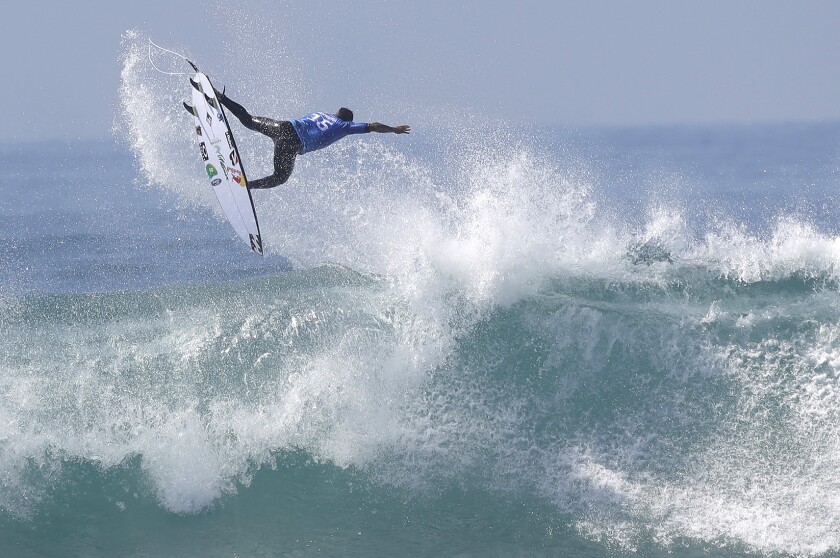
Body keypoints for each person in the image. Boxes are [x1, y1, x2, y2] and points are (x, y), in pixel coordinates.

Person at [213, 89, 410, 189]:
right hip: (292, 143)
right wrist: (394, 130)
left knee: (247, 120)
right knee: (279, 178)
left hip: (283, 127)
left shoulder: (321, 113)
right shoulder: (345, 126)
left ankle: (220, 97)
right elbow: (373, 126)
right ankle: (246, 186)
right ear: (347, 121)